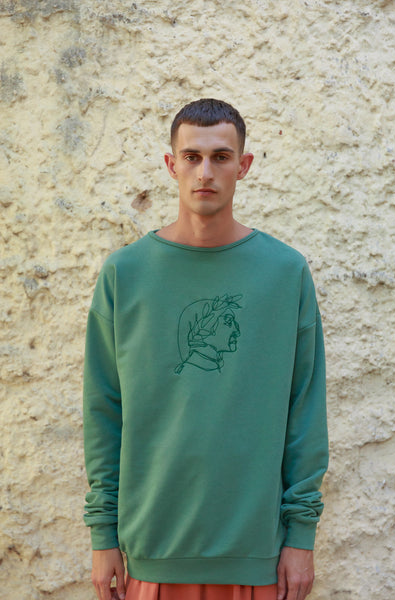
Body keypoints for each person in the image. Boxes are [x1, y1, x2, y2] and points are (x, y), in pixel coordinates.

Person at [83, 98, 329, 600]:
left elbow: (305, 407)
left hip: (256, 554)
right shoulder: (125, 274)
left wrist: (301, 536)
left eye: (221, 157)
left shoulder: (285, 273)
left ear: (244, 165)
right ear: (171, 165)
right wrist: (102, 534)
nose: (205, 172)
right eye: (192, 157)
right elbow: (103, 409)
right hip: (153, 549)